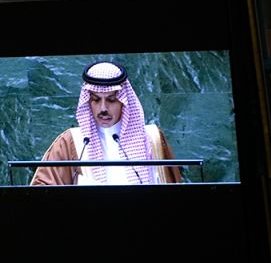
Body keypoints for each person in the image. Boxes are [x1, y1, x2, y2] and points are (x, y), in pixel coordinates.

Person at [30, 61, 182, 186]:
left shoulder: (152, 139)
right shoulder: (71, 143)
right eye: (96, 99)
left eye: (111, 100)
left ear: (123, 101)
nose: (103, 108)